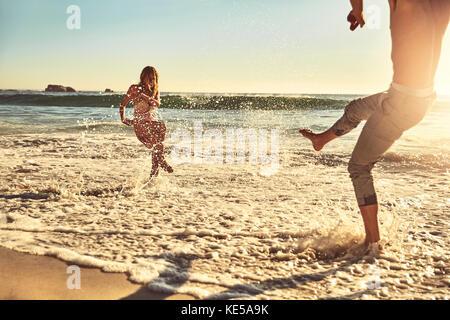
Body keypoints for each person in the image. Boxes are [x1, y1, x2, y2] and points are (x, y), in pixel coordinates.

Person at [299, 0, 450, 251]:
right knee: (356, 109)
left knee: (358, 167)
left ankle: (373, 243)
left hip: (402, 103)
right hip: (414, 97)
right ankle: (321, 139)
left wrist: (357, 10)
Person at [120, 66, 173, 178]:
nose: (151, 81)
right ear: (143, 77)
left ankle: (153, 176)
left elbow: (157, 104)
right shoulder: (134, 88)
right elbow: (123, 104)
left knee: (157, 147)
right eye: (149, 78)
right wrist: (123, 119)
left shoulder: (155, 91)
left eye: (153, 79)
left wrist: (144, 96)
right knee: (162, 126)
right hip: (140, 125)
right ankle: (162, 161)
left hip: (151, 126)